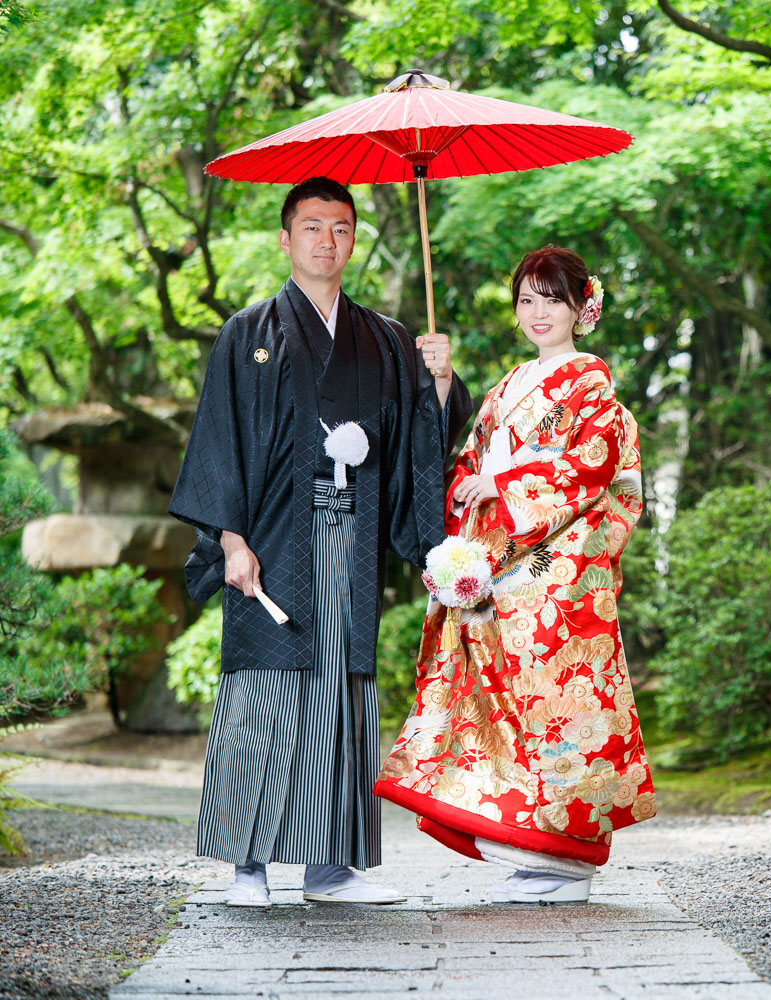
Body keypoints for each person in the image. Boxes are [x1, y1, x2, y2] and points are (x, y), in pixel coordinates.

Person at [169, 176, 473, 907]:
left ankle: (329, 866)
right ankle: (247, 864)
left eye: (340, 228)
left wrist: (438, 381)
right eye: (311, 227)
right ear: (285, 236)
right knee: (265, 688)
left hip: (353, 531)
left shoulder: (389, 338)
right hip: (273, 536)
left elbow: (424, 442)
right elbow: (220, 441)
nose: (326, 241)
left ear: (353, 237)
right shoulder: (249, 332)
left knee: (341, 687)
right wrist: (231, 540)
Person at [375, 245, 656, 904]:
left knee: (561, 710)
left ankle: (568, 859)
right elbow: (466, 464)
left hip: (554, 578)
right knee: (501, 710)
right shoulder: (507, 384)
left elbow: (586, 467)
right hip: (504, 578)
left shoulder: (589, 382)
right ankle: (532, 850)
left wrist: (496, 482)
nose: (537, 313)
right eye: (526, 299)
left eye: (551, 299)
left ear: (582, 307)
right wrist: (447, 408)